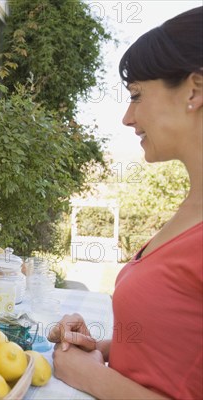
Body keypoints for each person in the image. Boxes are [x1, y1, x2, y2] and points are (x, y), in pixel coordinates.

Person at [48, 7, 202, 399]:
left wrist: (91, 377)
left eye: (136, 96)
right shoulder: (190, 208)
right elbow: (181, 352)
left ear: (194, 91)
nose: (126, 118)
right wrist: (95, 350)